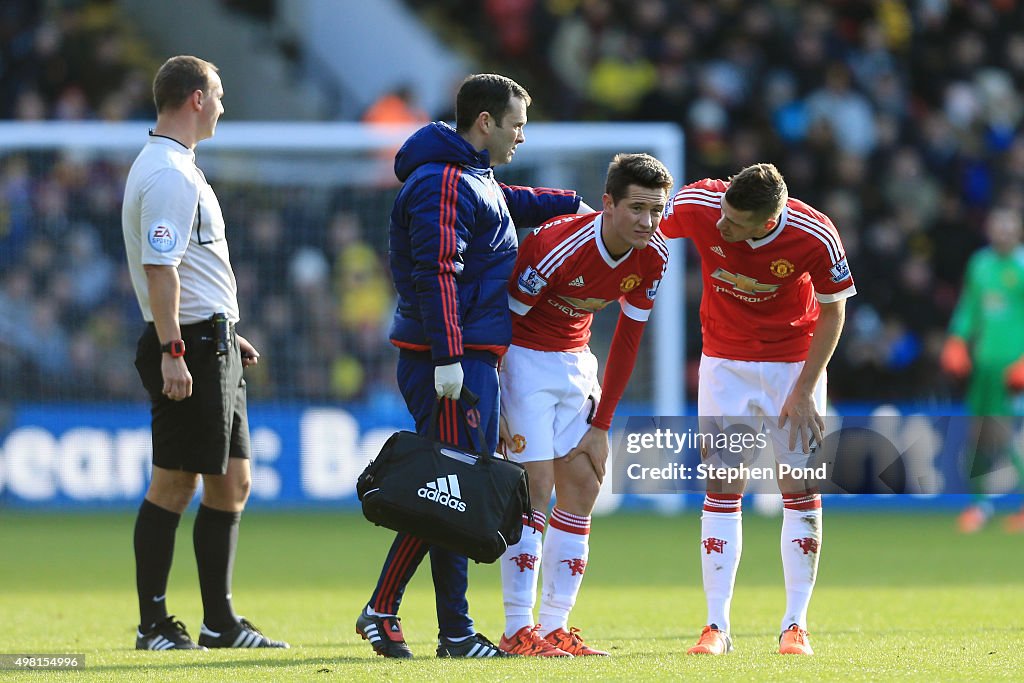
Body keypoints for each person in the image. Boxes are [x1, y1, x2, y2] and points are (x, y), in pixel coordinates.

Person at [355, 73, 587, 659]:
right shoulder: (441, 183)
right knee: (452, 493)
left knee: (449, 490)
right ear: (485, 123)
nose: (521, 138)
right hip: (449, 360)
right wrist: (451, 356)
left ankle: (389, 610)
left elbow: (509, 205)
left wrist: (573, 206)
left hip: (466, 356)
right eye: (516, 126)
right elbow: (438, 273)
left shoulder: (468, 177)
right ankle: (450, 631)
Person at [122, 55, 288, 651]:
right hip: (186, 344)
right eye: (218, 94)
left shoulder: (180, 167)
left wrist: (224, 326)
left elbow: (187, 268)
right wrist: (174, 348)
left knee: (232, 483)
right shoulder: (168, 172)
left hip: (208, 339)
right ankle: (153, 625)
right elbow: (159, 268)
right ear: (195, 98)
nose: (222, 104)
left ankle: (219, 623)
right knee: (173, 485)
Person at [658, 163, 856, 656]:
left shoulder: (816, 235)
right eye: (723, 214)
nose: (720, 227)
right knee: (723, 487)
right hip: (725, 363)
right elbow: (640, 224)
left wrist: (806, 388)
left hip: (794, 365)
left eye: (735, 224)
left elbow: (834, 310)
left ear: (768, 223)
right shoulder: (702, 205)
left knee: (800, 487)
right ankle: (716, 627)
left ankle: (795, 625)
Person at [497, 153, 674, 657]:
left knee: (584, 484)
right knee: (537, 489)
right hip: (523, 361)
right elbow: (502, 325)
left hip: (577, 362)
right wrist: (495, 402)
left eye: (656, 210)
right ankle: (516, 630)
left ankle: (555, 627)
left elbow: (626, 342)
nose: (647, 221)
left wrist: (603, 422)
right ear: (608, 204)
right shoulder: (557, 245)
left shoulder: (654, 256)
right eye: (637, 208)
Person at [940, 207, 1024, 533]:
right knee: (978, 435)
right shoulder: (981, 264)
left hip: (1014, 369)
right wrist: (957, 340)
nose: (1001, 232)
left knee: (1001, 432)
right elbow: (969, 309)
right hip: (985, 366)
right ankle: (980, 504)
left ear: (1017, 231)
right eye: (996, 226)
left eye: (1008, 226)